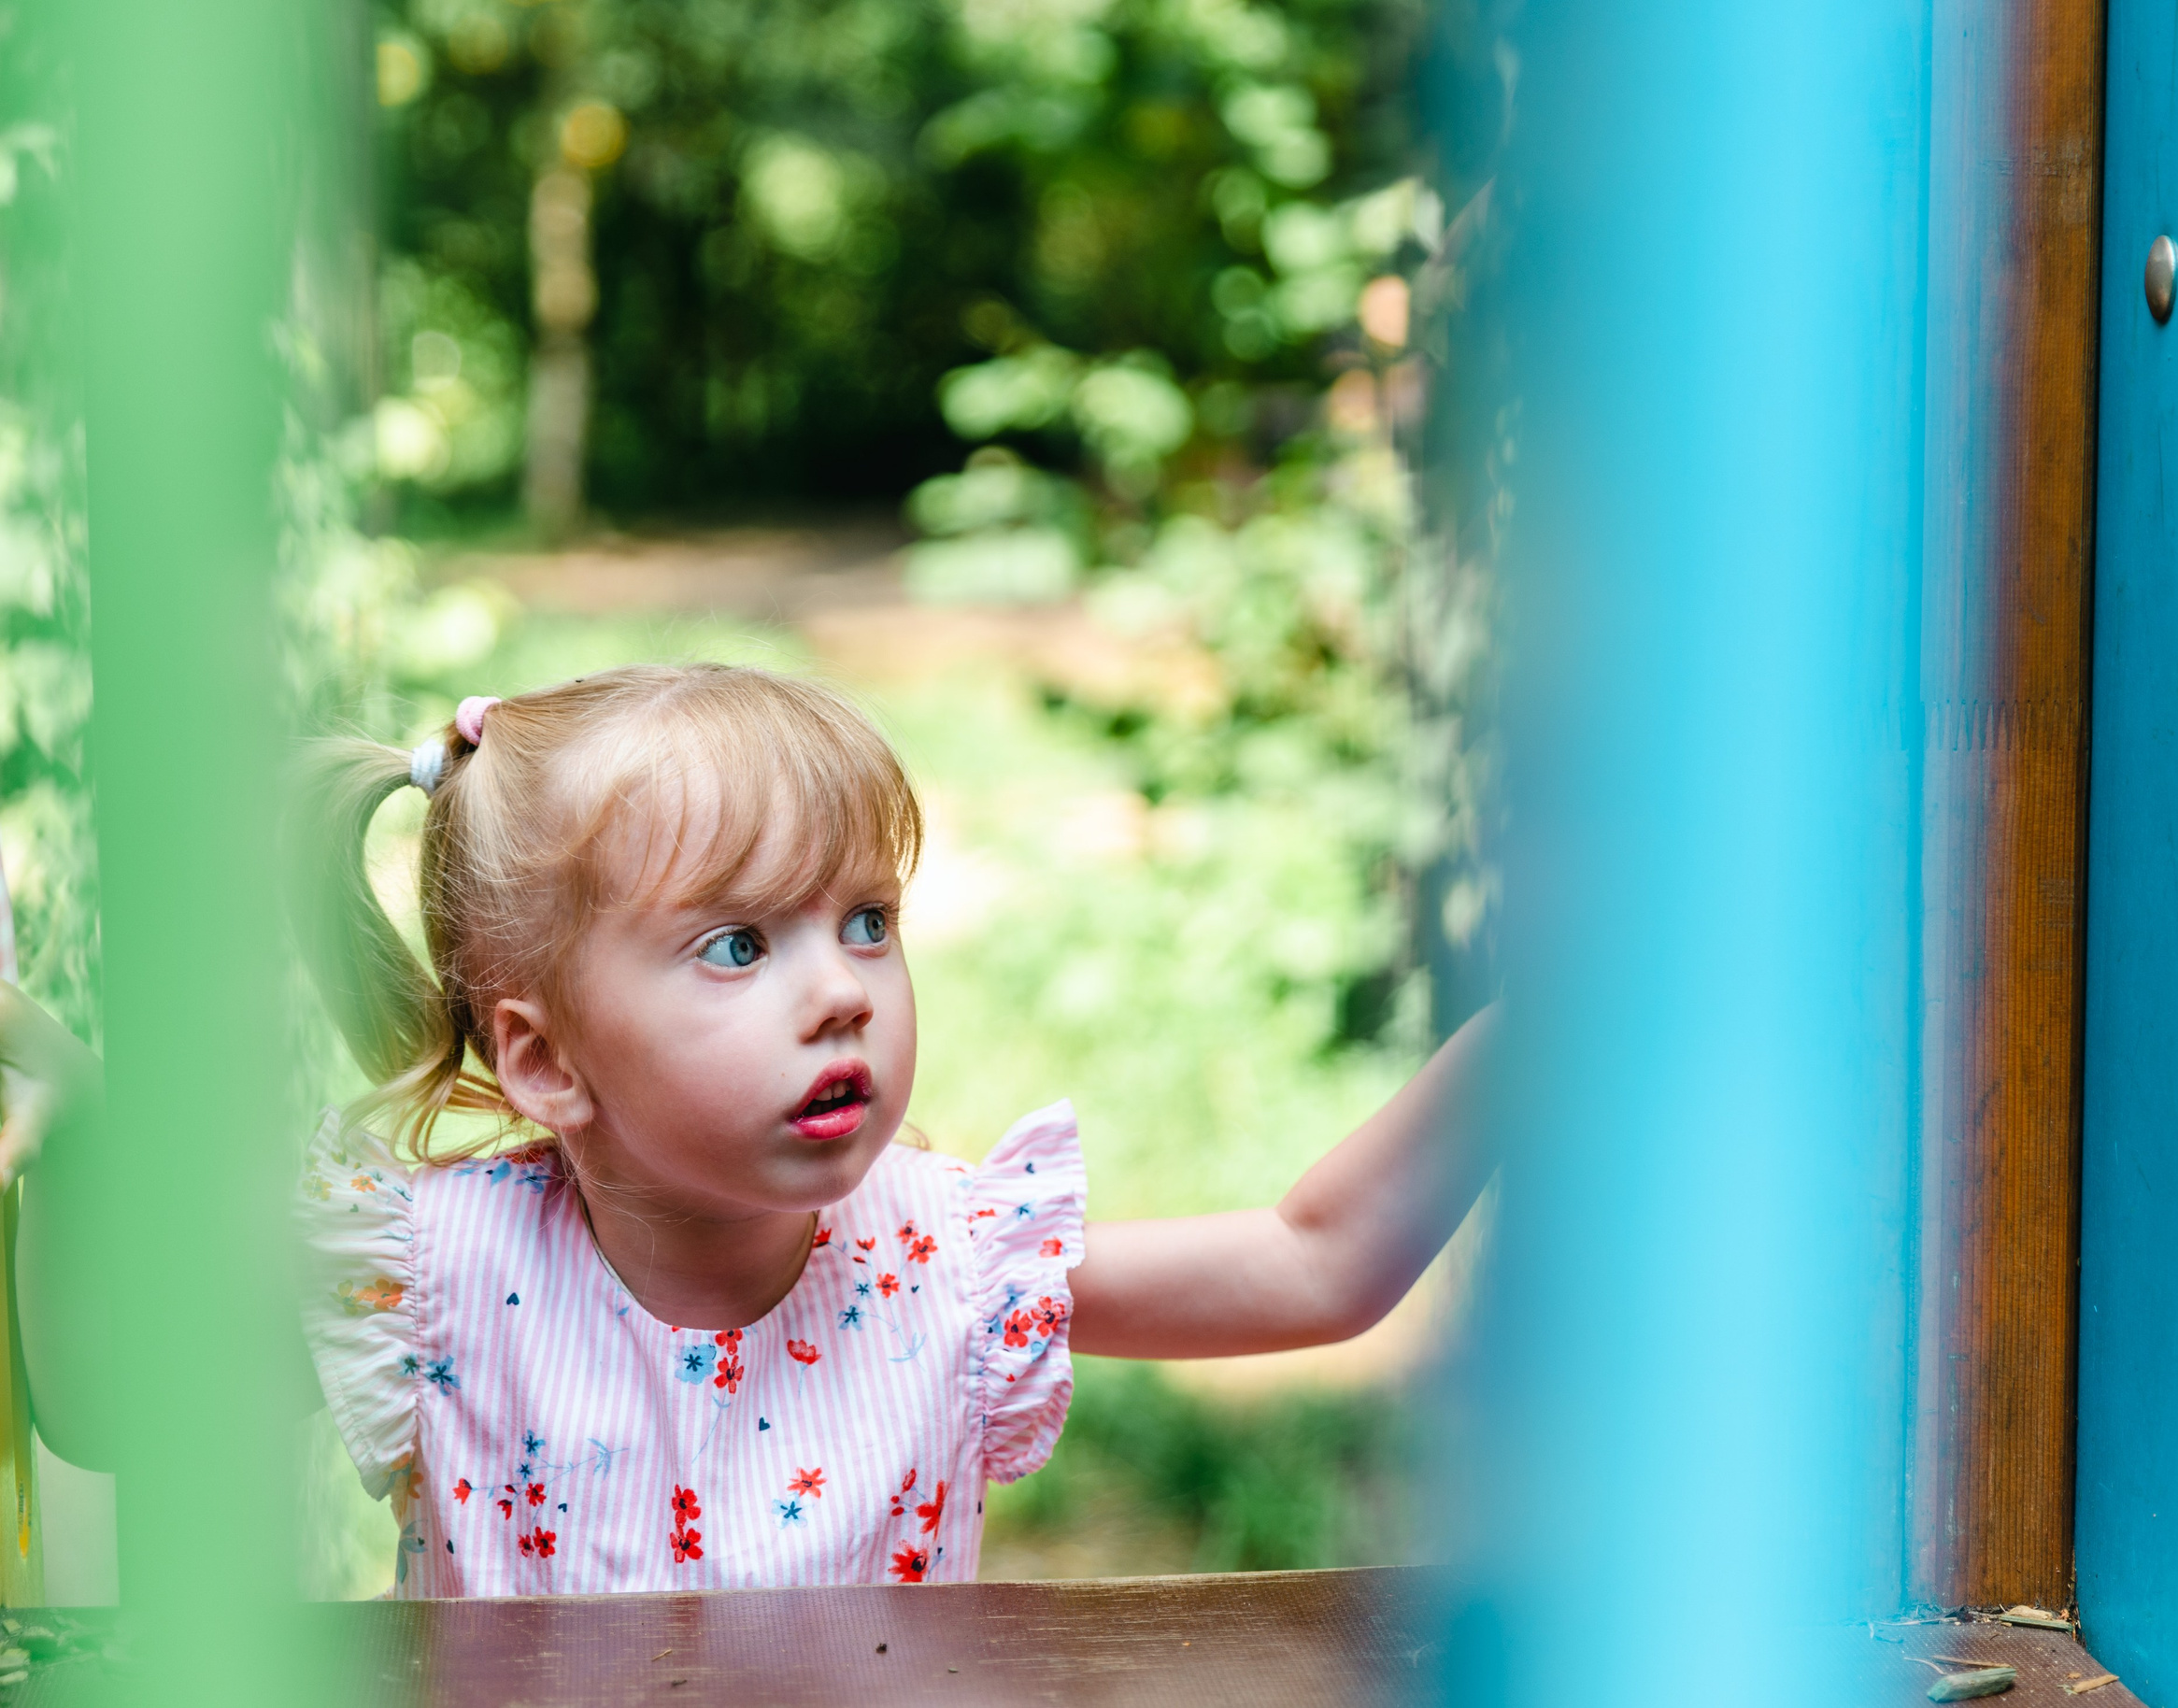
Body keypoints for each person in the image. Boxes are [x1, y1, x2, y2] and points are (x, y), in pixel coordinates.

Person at [0, 663, 1490, 1596]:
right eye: (736, 947)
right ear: (543, 1059)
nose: (841, 992)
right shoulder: (428, 1274)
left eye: (866, 923)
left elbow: (1318, 1264)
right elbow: (111, 1403)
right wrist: (68, 1125)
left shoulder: (949, 1263)